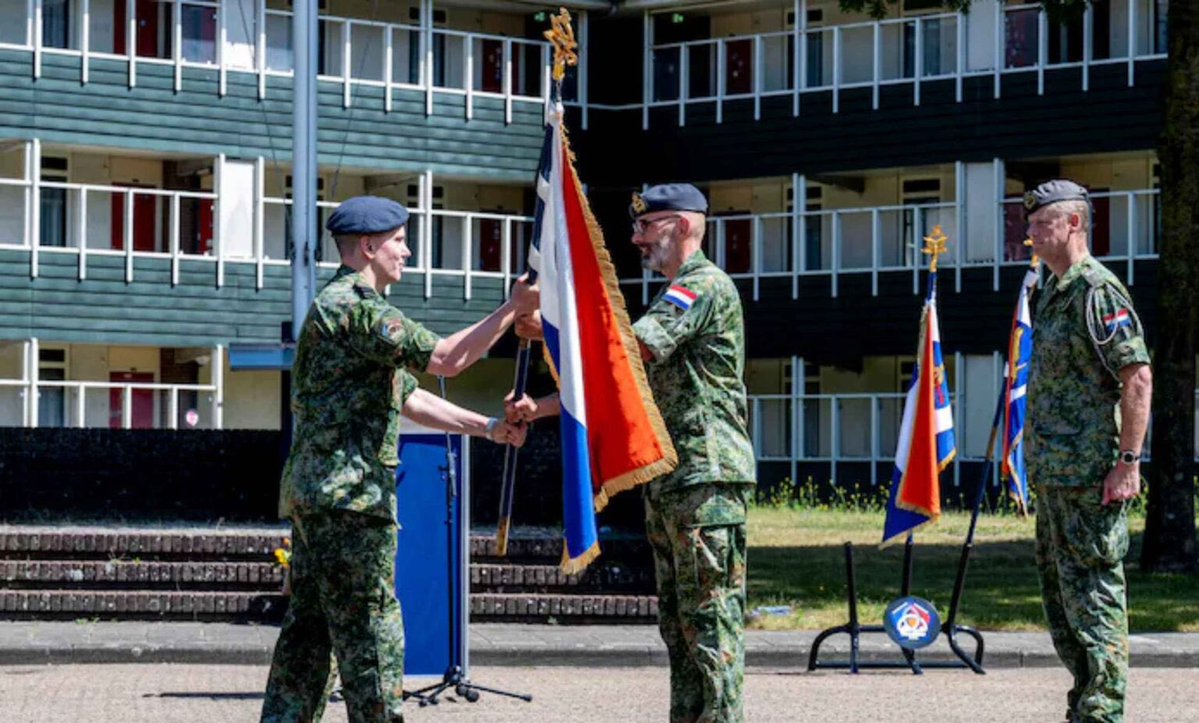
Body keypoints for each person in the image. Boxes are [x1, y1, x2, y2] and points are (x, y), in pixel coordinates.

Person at [261, 196, 537, 723]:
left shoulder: (340, 308)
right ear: (368, 247)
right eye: (399, 241)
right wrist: (511, 309)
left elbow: (409, 398)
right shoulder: (356, 306)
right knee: (371, 630)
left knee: (310, 634)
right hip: (350, 499)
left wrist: (489, 429)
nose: (407, 252)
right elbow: (447, 360)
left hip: (325, 497)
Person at [507, 184, 756, 723]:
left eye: (647, 226)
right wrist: (541, 407)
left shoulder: (701, 286)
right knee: (680, 626)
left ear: (683, 226)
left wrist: (552, 326)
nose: (636, 238)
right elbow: (625, 384)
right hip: (675, 478)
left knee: (710, 623)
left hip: (706, 478)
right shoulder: (675, 292)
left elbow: (628, 351)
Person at [1024, 179, 1153, 723]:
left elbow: (1137, 376)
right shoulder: (1051, 292)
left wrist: (1128, 463)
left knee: (1095, 600)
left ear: (1073, 223)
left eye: (1041, 223)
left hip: (1091, 478)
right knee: (1063, 606)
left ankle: (1103, 713)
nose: (1031, 234)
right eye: (1030, 225)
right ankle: (1085, 707)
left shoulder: (1097, 291)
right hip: (1055, 475)